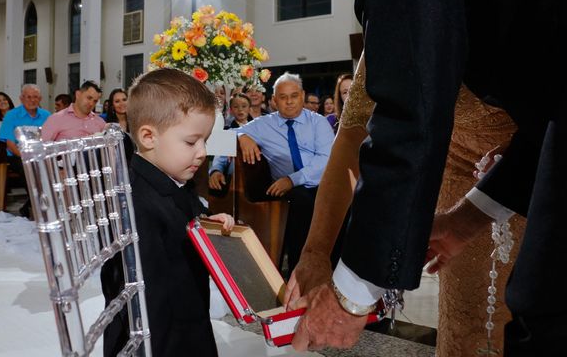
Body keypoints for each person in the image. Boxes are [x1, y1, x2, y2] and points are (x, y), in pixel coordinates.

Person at [278, 0, 566, 354]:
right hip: (519, 158)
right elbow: (553, 98)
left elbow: (411, 95)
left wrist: (351, 296)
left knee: (549, 308)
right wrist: (463, 221)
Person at [286, 54, 526, 355]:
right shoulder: (388, 26)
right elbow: (352, 136)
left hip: (542, 167)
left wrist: (353, 293)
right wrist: (317, 252)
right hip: (459, 181)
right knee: (468, 320)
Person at [100, 68, 234, 357]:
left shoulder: (172, 180)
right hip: (160, 337)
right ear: (149, 136)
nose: (202, 152)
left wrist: (210, 225)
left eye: (205, 141)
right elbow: (146, 301)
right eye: (191, 142)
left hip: (185, 317)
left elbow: (188, 219)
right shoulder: (136, 203)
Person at [237, 72, 335, 275]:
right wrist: (242, 136)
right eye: (283, 97)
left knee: (340, 200)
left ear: (303, 96)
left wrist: (292, 179)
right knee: (302, 200)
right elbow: (230, 132)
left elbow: (324, 161)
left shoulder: (318, 123)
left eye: (294, 96)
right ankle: (298, 274)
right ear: (274, 101)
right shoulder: (265, 125)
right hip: (286, 191)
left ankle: (332, 270)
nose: (289, 102)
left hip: (319, 184)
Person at [0, 84, 51, 219]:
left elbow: (50, 139)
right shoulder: (12, 115)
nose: (32, 100)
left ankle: (30, 206)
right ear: (21, 98)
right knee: (29, 169)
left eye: (35, 97)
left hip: (40, 155)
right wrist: (26, 157)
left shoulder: (47, 115)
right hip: (17, 155)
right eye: (28, 97)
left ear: (40, 99)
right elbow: (10, 144)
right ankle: (37, 207)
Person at [208, 92, 253, 191]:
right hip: (233, 180)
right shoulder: (226, 131)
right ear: (231, 110)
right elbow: (219, 161)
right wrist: (216, 171)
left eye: (244, 106)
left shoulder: (259, 130)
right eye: (236, 107)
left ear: (250, 108)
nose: (240, 110)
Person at [104, 88, 134, 164]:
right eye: (117, 101)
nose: (122, 104)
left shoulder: (136, 122)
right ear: (112, 106)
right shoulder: (107, 125)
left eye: (124, 100)